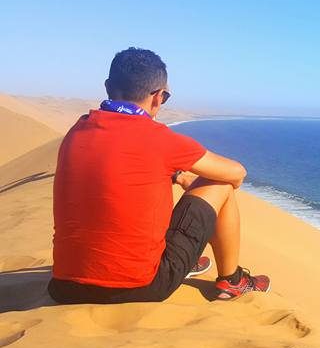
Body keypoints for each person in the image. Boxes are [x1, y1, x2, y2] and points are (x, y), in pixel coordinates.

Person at [47, 47, 269, 303]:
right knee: (220, 184)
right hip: (142, 285)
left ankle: (181, 257)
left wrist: (176, 176)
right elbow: (236, 173)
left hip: (65, 287)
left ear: (107, 87)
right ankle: (232, 280)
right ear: (158, 97)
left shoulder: (78, 130)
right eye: (165, 97)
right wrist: (188, 177)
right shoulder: (161, 139)